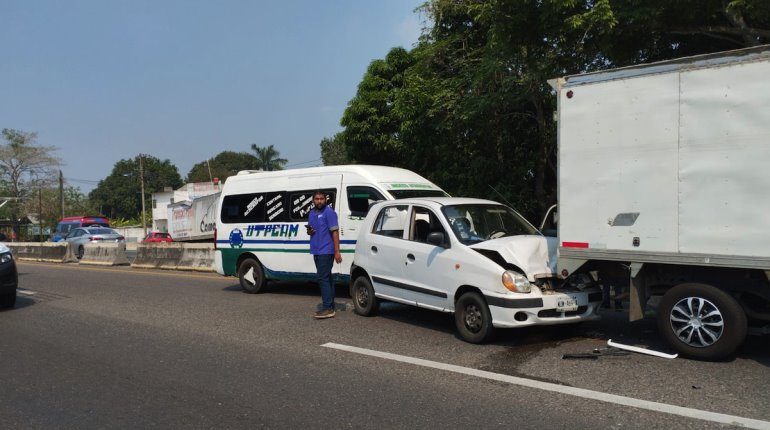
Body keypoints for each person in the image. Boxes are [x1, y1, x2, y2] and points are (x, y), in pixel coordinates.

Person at [306, 190, 342, 319]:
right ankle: (330, 306)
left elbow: (335, 232)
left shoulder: (329, 213)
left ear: (325, 200)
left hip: (326, 250)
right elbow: (311, 232)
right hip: (316, 250)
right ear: (313, 200)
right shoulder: (311, 213)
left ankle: (327, 308)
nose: (319, 201)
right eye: (317, 199)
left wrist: (337, 251)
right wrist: (310, 231)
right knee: (327, 278)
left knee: (322, 278)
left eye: (321, 199)